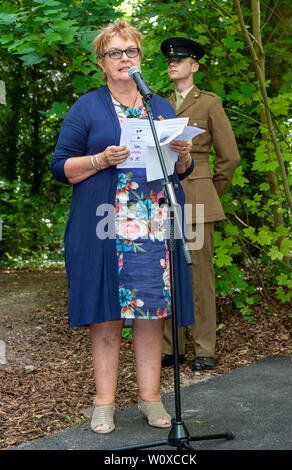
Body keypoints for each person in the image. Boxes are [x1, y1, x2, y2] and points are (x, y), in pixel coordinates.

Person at [51, 21, 195, 435]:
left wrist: (183, 155)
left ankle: (150, 399)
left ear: (140, 58)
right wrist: (100, 159)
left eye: (130, 52)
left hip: (154, 224)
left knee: (152, 314)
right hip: (105, 227)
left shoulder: (160, 106)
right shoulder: (87, 107)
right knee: (107, 316)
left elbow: (180, 171)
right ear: (101, 61)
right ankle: (104, 403)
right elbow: (60, 166)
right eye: (115, 53)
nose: (124, 59)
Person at [160, 37, 240, 371]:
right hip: (164, 196)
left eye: (180, 60)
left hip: (196, 197)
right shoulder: (159, 104)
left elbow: (230, 157)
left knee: (199, 275)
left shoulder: (209, 103)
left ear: (194, 66)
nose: (172, 64)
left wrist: (209, 192)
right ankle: (171, 347)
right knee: (167, 271)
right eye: (169, 61)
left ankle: (205, 347)